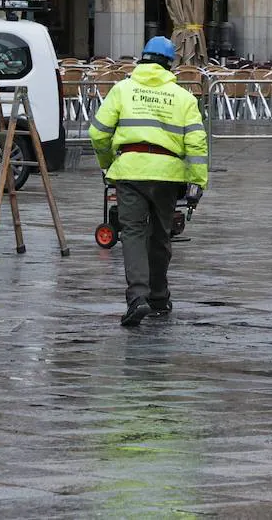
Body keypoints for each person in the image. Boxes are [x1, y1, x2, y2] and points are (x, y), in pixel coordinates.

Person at [89, 36, 209, 327]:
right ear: (170, 64)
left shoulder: (122, 89)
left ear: (142, 58)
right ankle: (158, 296)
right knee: (160, 234)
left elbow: (98, 133)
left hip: (130, 171)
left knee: (131, 233)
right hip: (168, 175)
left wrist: (108, 166)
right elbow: (196, 143)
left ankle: (137, 298)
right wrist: (197, 183)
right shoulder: (183, 97)